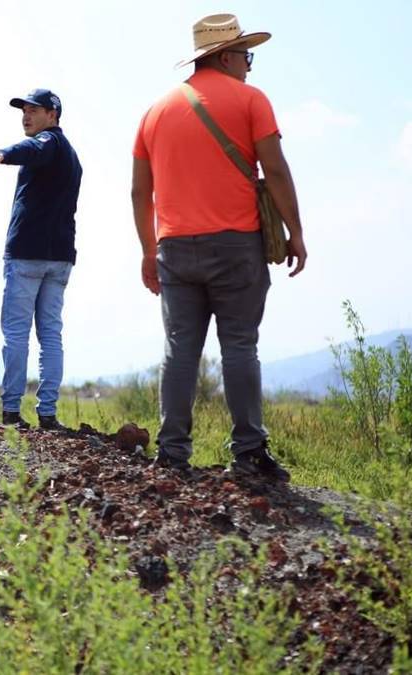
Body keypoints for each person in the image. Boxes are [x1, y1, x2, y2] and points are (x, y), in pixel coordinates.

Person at [130, 13, 307, 481]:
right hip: (235, 246)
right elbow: (277, 171)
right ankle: (249, 452)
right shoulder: (251, 100)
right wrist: (296, 232)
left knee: (179, 351)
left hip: (174, 250)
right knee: (240, 347)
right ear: (225, 57)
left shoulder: (154, 111)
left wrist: (149, 250)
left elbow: (138, 192)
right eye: (246, 56)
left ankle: (171, 453)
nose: (249, 66)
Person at [0, 89, 82, 431]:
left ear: (53, 114)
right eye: (23, 110)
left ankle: (11, 412)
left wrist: (3, 153)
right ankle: (48, 414)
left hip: (27, 256)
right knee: (51, 334)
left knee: (17, 334)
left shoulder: (47, 142)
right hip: (60, 259)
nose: (26, 115)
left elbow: (33, 148)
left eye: (34, 110)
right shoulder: (73, 156)